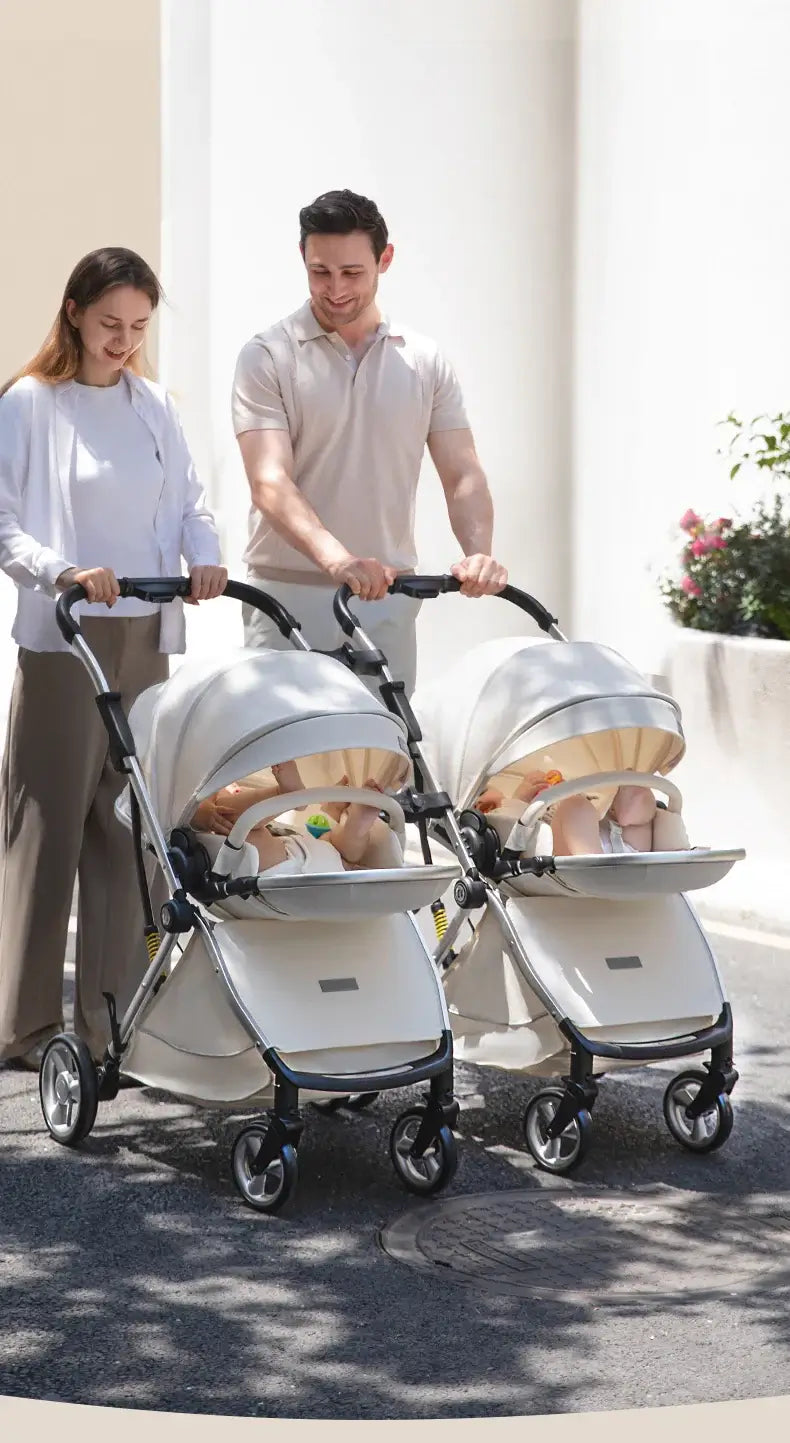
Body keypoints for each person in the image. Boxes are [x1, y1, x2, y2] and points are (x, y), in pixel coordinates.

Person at [0, 247, 227, 1070]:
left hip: (144, 634)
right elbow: (4, 521)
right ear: (73, 313)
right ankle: (23, 1027)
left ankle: (110, 1021)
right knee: (48, 823)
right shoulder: (32, 403)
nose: (124, 340)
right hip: (67, 638)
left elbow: (193, 507)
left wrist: (205, 557)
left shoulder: (153, 405)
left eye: (137, 326)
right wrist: (61, 569)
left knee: (123, 829)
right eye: (109, 325)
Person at [231, 189, 508, 696]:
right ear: (303, 260)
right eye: (320, 271)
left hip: (388, 601)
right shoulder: (266, 356)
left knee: (385, 763)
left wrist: (478, 554)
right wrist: (339, 560)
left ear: (385, 259)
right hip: (286, 597)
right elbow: (269, 481)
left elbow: (462, 473)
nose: (335, 289)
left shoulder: (424, 361)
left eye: (352, 273)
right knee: (291, 764)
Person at [192, 763, 388, 875]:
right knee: (342, 850)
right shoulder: (210, 789)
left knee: (235, 824)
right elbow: (189, 810)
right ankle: (354, 825)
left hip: (282, 861)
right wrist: (204, 812)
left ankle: (289, 795)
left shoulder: (222, 790)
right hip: (332, 866)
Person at [476, 773, 691, 855]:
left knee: (633, 787)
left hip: (625, 846)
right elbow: (516, 836)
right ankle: (601, 869)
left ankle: (629, 803)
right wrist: (521, 799)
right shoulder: (503, 815)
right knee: (575, 807)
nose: (482, 802)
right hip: (579, 860)